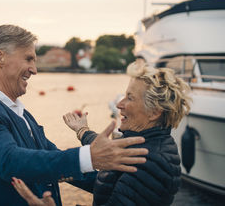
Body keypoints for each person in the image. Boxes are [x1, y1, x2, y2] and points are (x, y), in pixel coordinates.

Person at [0, 25, 148, 206]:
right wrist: (88, 156)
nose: (34, 70)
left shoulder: (21, 113)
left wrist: (127, 190)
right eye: (28, 59)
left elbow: (51, 159)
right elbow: (10, 161)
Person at [13, 60, 191, 206]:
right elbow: (109, 177)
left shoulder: (148, 159)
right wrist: (81, 133)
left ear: (154, 112)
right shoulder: (141, 143)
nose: (119, 104)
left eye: (130, 97)